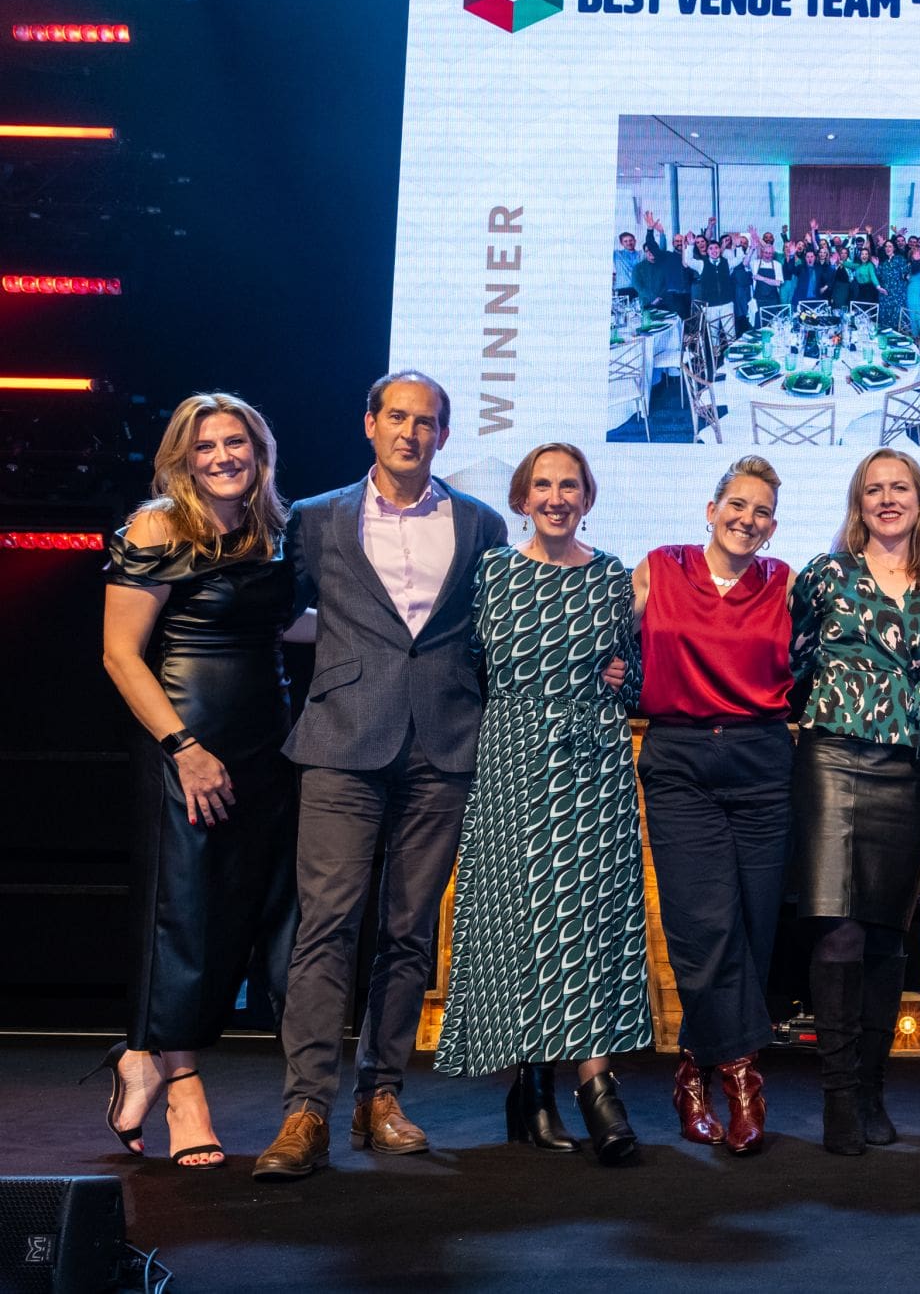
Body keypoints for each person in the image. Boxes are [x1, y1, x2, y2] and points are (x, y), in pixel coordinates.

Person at [254, 371, 509, 1182]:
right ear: (369, 423)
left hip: (443, 744)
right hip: (340, 740)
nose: (410, 432)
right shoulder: (318, 517)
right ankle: (305, 1109)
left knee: (408, 930)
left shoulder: (480, 523)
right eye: (396, 417)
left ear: (443, 433)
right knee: (327, 923)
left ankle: (382, 1095)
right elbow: (272, 615)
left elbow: (497, 631)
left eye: (426, 421)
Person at [96, 393, 302, 1170]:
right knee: (183, 915)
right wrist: (183, 746)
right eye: (206, 445)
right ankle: (183, 1086)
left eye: (237, 442)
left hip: (265, 745)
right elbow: (120, 653)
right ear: (183, 457)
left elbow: (283, 627)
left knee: (237, 915)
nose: (223, 456)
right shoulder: (156, 524)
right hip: (183, 742)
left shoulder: (273, 529)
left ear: (260, 451)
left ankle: (140, 1058)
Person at [432, 444, 649, 1166]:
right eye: (543, 485)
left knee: (584, 922)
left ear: (588, 496)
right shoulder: (492, 571)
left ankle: (568, 1084)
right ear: (523, 498)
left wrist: (621, 676)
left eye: (570, 485)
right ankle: (551, 1086)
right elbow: (463, 664)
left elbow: (633, 674)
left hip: (593, 764)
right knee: (525, 916)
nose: (557, 497)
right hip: (515, 755)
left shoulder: (615, 577)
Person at [787, 449, 920, 1156]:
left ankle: (873, 1086)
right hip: (832, 758)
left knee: (887, 934)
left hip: (910, 768)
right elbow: (786, 659)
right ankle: (838, 1099)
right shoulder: (822, 576)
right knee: (839, 931)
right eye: (873, 489)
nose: (888, 499)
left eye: (901, 487)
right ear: (857, 504)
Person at [634, 456, 794, 1157]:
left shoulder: (786, 581)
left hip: (762, 760)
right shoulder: (660, 566)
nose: (747, 518)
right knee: (704, 925)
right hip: (681, 759)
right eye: (737, 503)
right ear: (710, 507)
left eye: (761, 511)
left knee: (754, 929)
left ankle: (693, 1071)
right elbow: (609, 635)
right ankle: (742, 1081)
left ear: (773, 525)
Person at [879, 239, 912, 335]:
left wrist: (907, 276)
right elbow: (878, 275)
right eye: (886, 246)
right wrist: (877, 266)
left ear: (894, 248)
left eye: (890, 246)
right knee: (885, 322)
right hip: (885, 296)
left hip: (897, 295)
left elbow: (906, 273)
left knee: (898, 321)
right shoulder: (883, 262)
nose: (887, 248)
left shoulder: (900, 259)